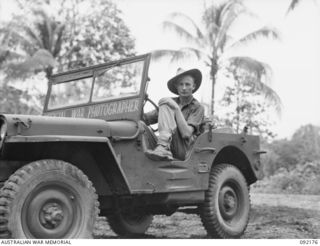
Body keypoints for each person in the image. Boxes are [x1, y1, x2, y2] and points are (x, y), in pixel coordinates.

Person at [144, 68, 205, 161]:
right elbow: (145, 119)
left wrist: (176, 108)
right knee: (141, 126)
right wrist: (140, 102)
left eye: (187, 84)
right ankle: (162, 147)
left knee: (166, 103)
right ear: (177, 86)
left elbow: (186, 133)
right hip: (166, 146)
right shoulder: (170, 103)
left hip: (185, 151)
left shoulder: (198, 107)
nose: (184, 88)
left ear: (193, 86)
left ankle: (163, 146)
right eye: (181, 84)